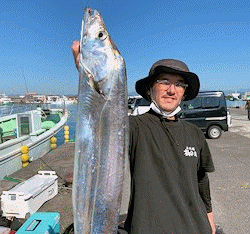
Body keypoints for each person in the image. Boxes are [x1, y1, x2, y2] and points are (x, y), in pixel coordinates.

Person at [71, 41, 216, 234]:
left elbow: (201, 180)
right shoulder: (134, 126)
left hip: (195, 227)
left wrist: (210, 220)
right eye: (164, 81)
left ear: (184, 93)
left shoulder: (195, 133)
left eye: (180, 84)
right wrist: (89, 76)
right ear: (149, 89)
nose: (171, 90)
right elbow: (102, 121)